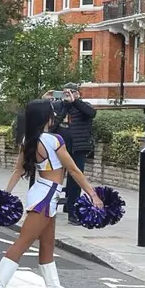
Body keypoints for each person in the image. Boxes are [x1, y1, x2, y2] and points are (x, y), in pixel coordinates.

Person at [0, 99, 103, 288]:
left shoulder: (29, 140)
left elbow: (17, 170)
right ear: (47, 117)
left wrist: (5, 195)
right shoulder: (54, 140)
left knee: (47, 246)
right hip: (47, 195)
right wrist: (92, 193)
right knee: (22, 243)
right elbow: (73, 170)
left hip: (42, 191)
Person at [58, 83, 96, 225]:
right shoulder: (61, 106)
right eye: (65, 93)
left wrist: (76, 102)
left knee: (75, 180)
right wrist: (65, 106)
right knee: (57, 178)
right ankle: (64, 206)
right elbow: (54, 123)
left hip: (79, 148)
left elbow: (91, 114)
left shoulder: (83, 105)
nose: (68, 95)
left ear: (77, 93)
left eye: (71, 92)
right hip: (61, 148)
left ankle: (73, 211)